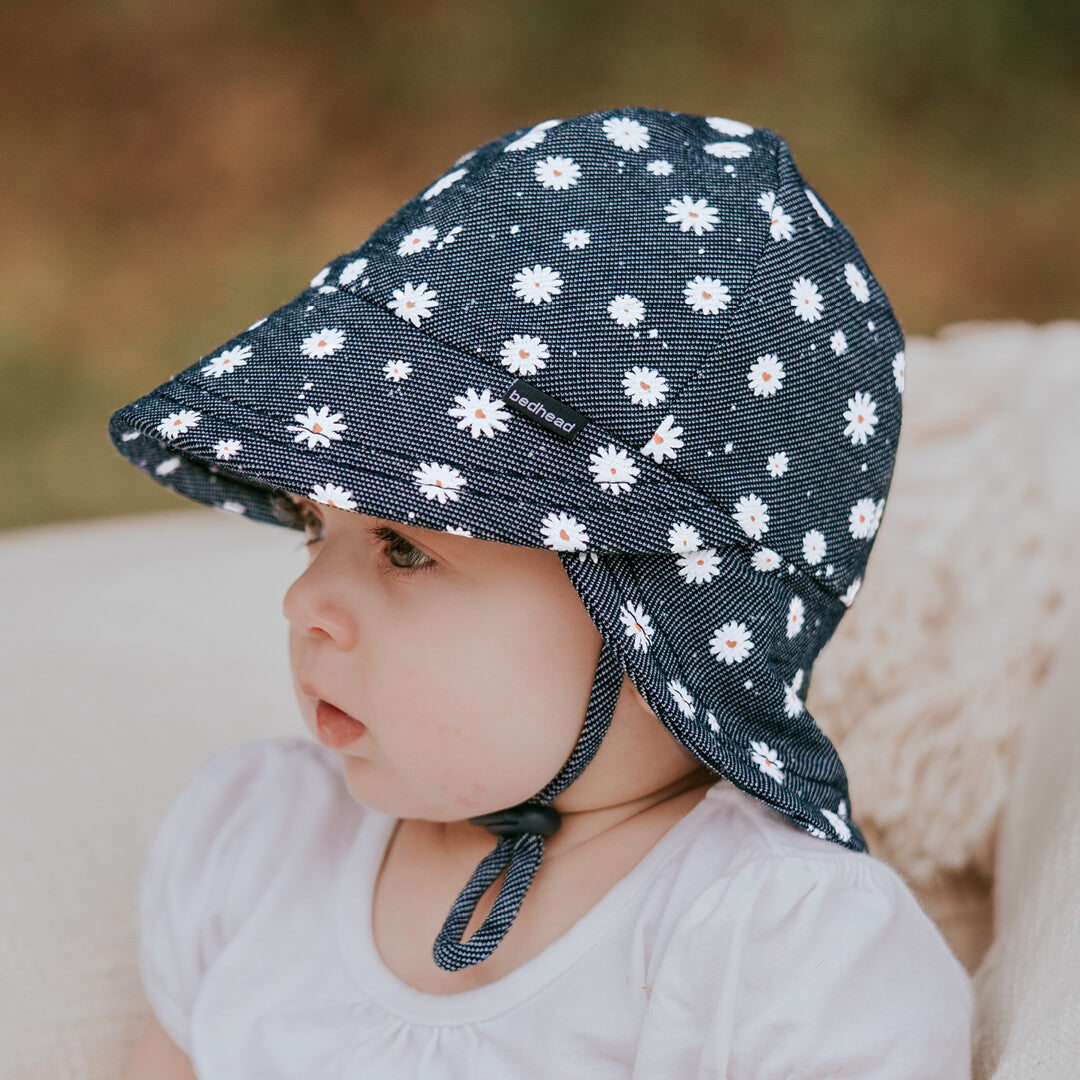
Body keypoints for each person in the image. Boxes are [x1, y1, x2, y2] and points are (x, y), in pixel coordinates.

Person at [113, 107, 974, 1078]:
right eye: (316, 526)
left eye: (402, 549)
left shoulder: (781, 948)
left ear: (659, 627)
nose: (302, 602)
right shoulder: (259, 844)